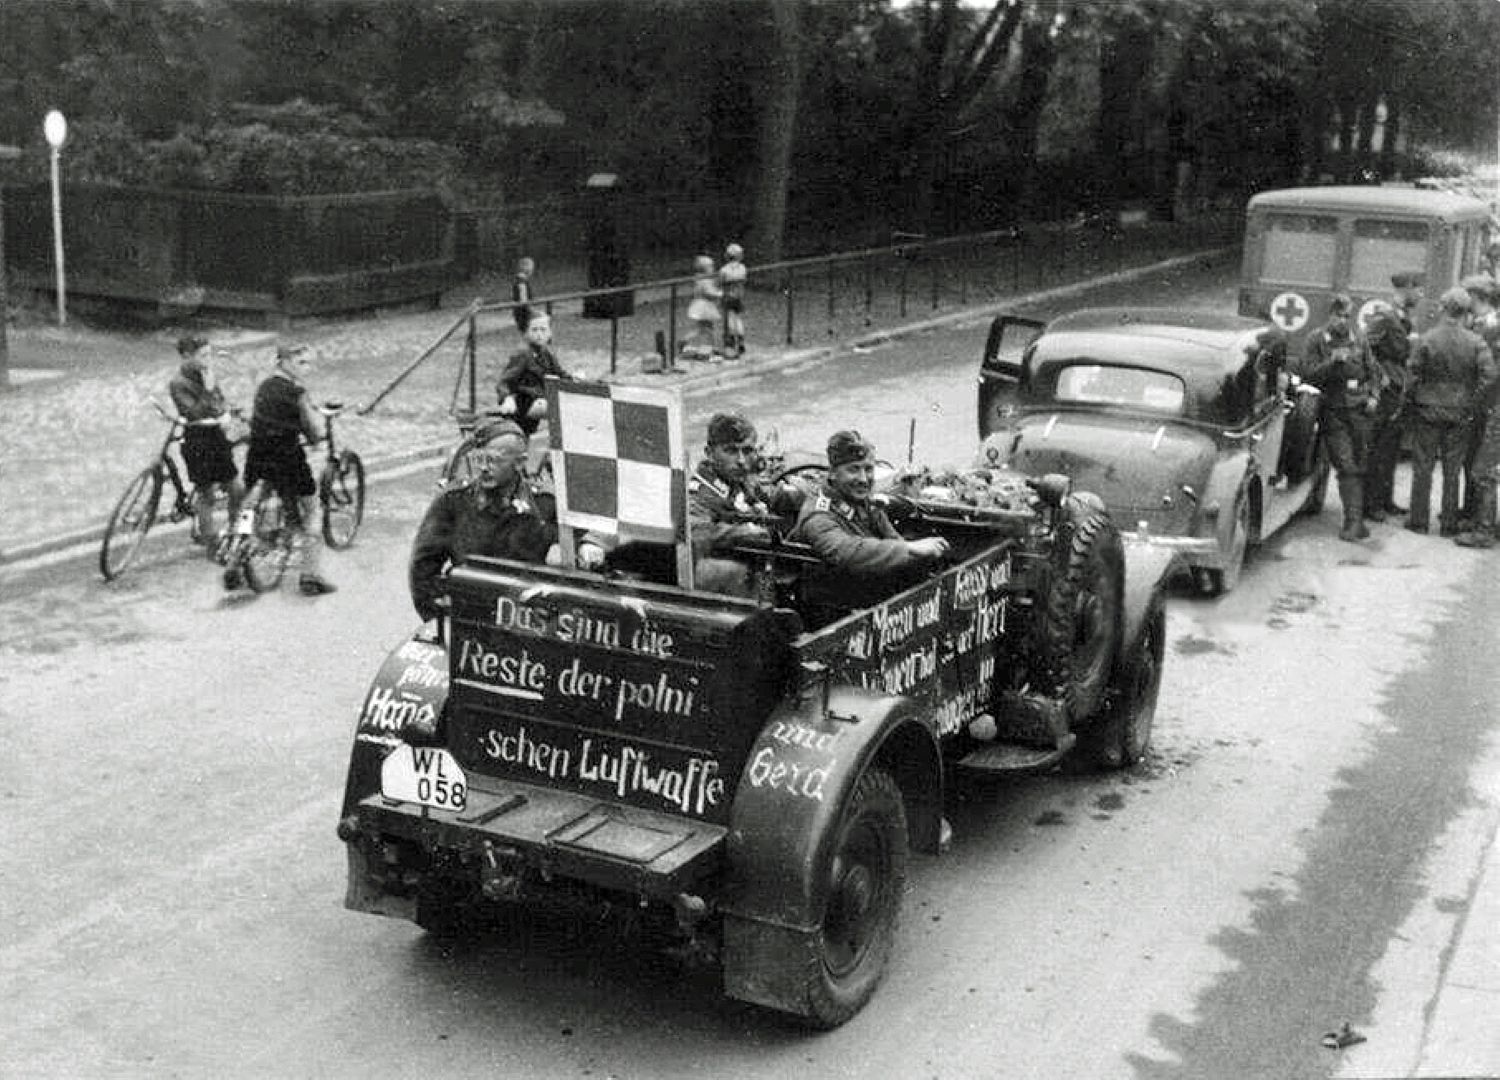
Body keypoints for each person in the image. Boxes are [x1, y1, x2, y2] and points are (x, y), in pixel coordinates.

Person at [409, 418, 561, 622]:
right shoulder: (454, 501)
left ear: (520, 462)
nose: (484, 468)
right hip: (468, 616)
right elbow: (423, 569)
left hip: (525, 620)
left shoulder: (545, 505)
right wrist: (438, 620)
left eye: (493, 461)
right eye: (479, 460)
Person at [791, 430, 950, 613]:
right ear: (833, 473)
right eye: (853, 469)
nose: (863, 479)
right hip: (832, 609)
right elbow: (847, 552)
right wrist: (910, 548)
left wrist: (919, 553)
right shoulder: (818, 515)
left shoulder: (866, 503)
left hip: (866, 596)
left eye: (868, 469)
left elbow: (892, 540)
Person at [242, 343, 336, 595]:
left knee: (248, 505)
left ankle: (235, 555)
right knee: (313, 508)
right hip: (286, 458)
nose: (306, 368)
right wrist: (318, 437)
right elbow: (312, 429)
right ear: (284, 362)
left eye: (308, 363)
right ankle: (311, 574)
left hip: (258, 455)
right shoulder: (298, 392)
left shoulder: (263, 386)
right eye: (301, 362)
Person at [1406, 287, 1497, 536]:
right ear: (1465, 312)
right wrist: (1472, 402)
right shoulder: (1476, 341)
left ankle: (1418, 521)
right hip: (1460, 411)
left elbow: (1412, 374)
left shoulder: (1428, 338)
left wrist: (1412, 400)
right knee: (1452, 469)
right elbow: (1489, 376)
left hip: (1428, 409)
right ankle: (1448, 524)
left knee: (1423, 467)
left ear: (1444, 308)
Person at [687, 411, 802, 597]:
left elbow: (768, 494)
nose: (741, 460)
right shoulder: (701, 492)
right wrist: (747, 533)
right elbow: (695, 530)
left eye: (747, 451)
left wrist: (805, 495)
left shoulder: (739, 479)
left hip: (761, 561)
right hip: (731, 578)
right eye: (731, 451)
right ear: (709, 453)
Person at [1300, 294, 1382, 541]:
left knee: (1360, 463)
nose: (1343, 321)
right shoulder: (1316, 340)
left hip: (1359, 410)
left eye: (1347, 316)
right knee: (1346, 465)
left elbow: (1373, 371)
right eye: (1339, 315)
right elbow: (1307, 375)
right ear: (1330, 315)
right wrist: (1330, 362)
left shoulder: (1359, 339)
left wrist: (1374, 396)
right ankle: (1352, 523)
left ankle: (1357, 519)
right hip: (1333, 411)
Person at [167, 335, 244, 552]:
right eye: (203, 356)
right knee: (206, 493)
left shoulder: (206, 374)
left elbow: (219, 401)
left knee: (237, 489)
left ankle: (235, 531)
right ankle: (212, 541)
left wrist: (229, 411)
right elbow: (193, 413)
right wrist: (208, 390)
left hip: (218, 436)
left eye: (210, 354)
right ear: (186, 357)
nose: (208, 360)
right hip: (198, 439)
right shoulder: (178, 383)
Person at [1455, 276, 1500, 547]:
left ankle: (1483, 530)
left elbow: (1491, 374)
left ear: (1478, 297)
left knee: (1483, 468)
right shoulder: (1480, 324)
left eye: (1468, 297)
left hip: (1490, 404)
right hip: (1487, 404)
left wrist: (1474, 400)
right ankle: (1474, 516)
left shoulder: (1494, 328)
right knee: (1475, 461)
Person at [1360, 302, 1411, 520]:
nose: (1419, 294)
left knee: (1391, 448)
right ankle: (1371, 504)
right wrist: (1379, 374)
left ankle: (1385, 500)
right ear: (1405, 290)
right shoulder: (1384, 317)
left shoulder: (1401, 317)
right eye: (1416, 289)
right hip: (1386, 389)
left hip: (1397, 387)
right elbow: (1365, 346)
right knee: (1378, 447)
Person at [496, 312, 579, 439]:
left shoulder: (547, 354)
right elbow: (504, 381)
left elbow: (560, 374)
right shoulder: (523, 355)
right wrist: (507, 398)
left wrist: (573, 379)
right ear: (526, 334)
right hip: (524, 402)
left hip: (538, 399)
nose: (539, 334)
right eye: (534, 330)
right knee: (561, 410)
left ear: (549, 333)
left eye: (543, 330)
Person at [681, 255, 723, 362]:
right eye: (711, 266)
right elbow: (709, 292)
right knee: (708, 330)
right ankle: (711, 349)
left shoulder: (700, 278)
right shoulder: (705, 280)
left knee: (703, 329)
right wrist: (720, 294)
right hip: (705, 306)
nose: (713, 268)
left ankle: (685, 340)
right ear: (704, 268)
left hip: (701, 305)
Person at [719, 243, 748, 358]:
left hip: (728, 297)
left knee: (729, 320)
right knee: (738, 318)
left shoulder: (724, 270)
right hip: (739, 296)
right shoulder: (742, 268)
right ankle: (741, 339)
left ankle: (730, 341)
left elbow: (720, 282)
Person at [511, 256, 535, 334]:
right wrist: (531, 310)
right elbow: (523, 298)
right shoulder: (521, 282)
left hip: (521, 311)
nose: (532, 270)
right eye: (531, 268)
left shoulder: (519, 280)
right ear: (527, 269)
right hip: (523, 312)